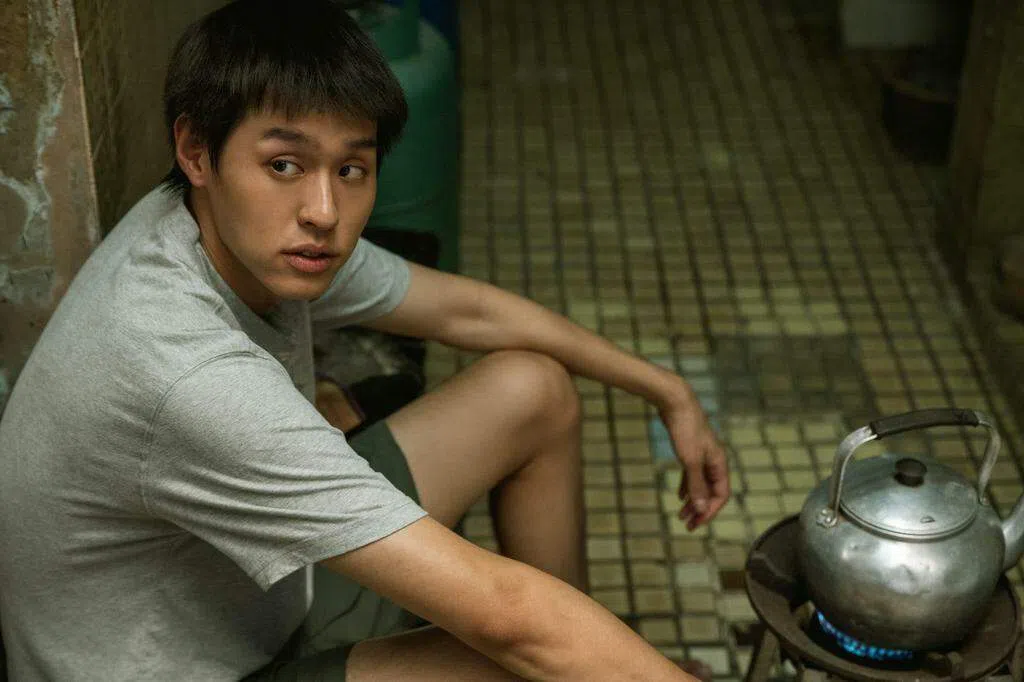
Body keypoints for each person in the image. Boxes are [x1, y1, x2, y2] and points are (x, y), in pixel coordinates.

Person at [0, 1, 730, 679]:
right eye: (284, 165)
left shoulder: (236, 230)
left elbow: (467, 313)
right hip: (198, 668)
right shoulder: (186, 371)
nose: (324, 211)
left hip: (258, 598)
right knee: (526, 651)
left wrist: (666, 389)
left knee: (531, 390)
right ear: (197, 150)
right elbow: (506, 617)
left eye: (352, 168)